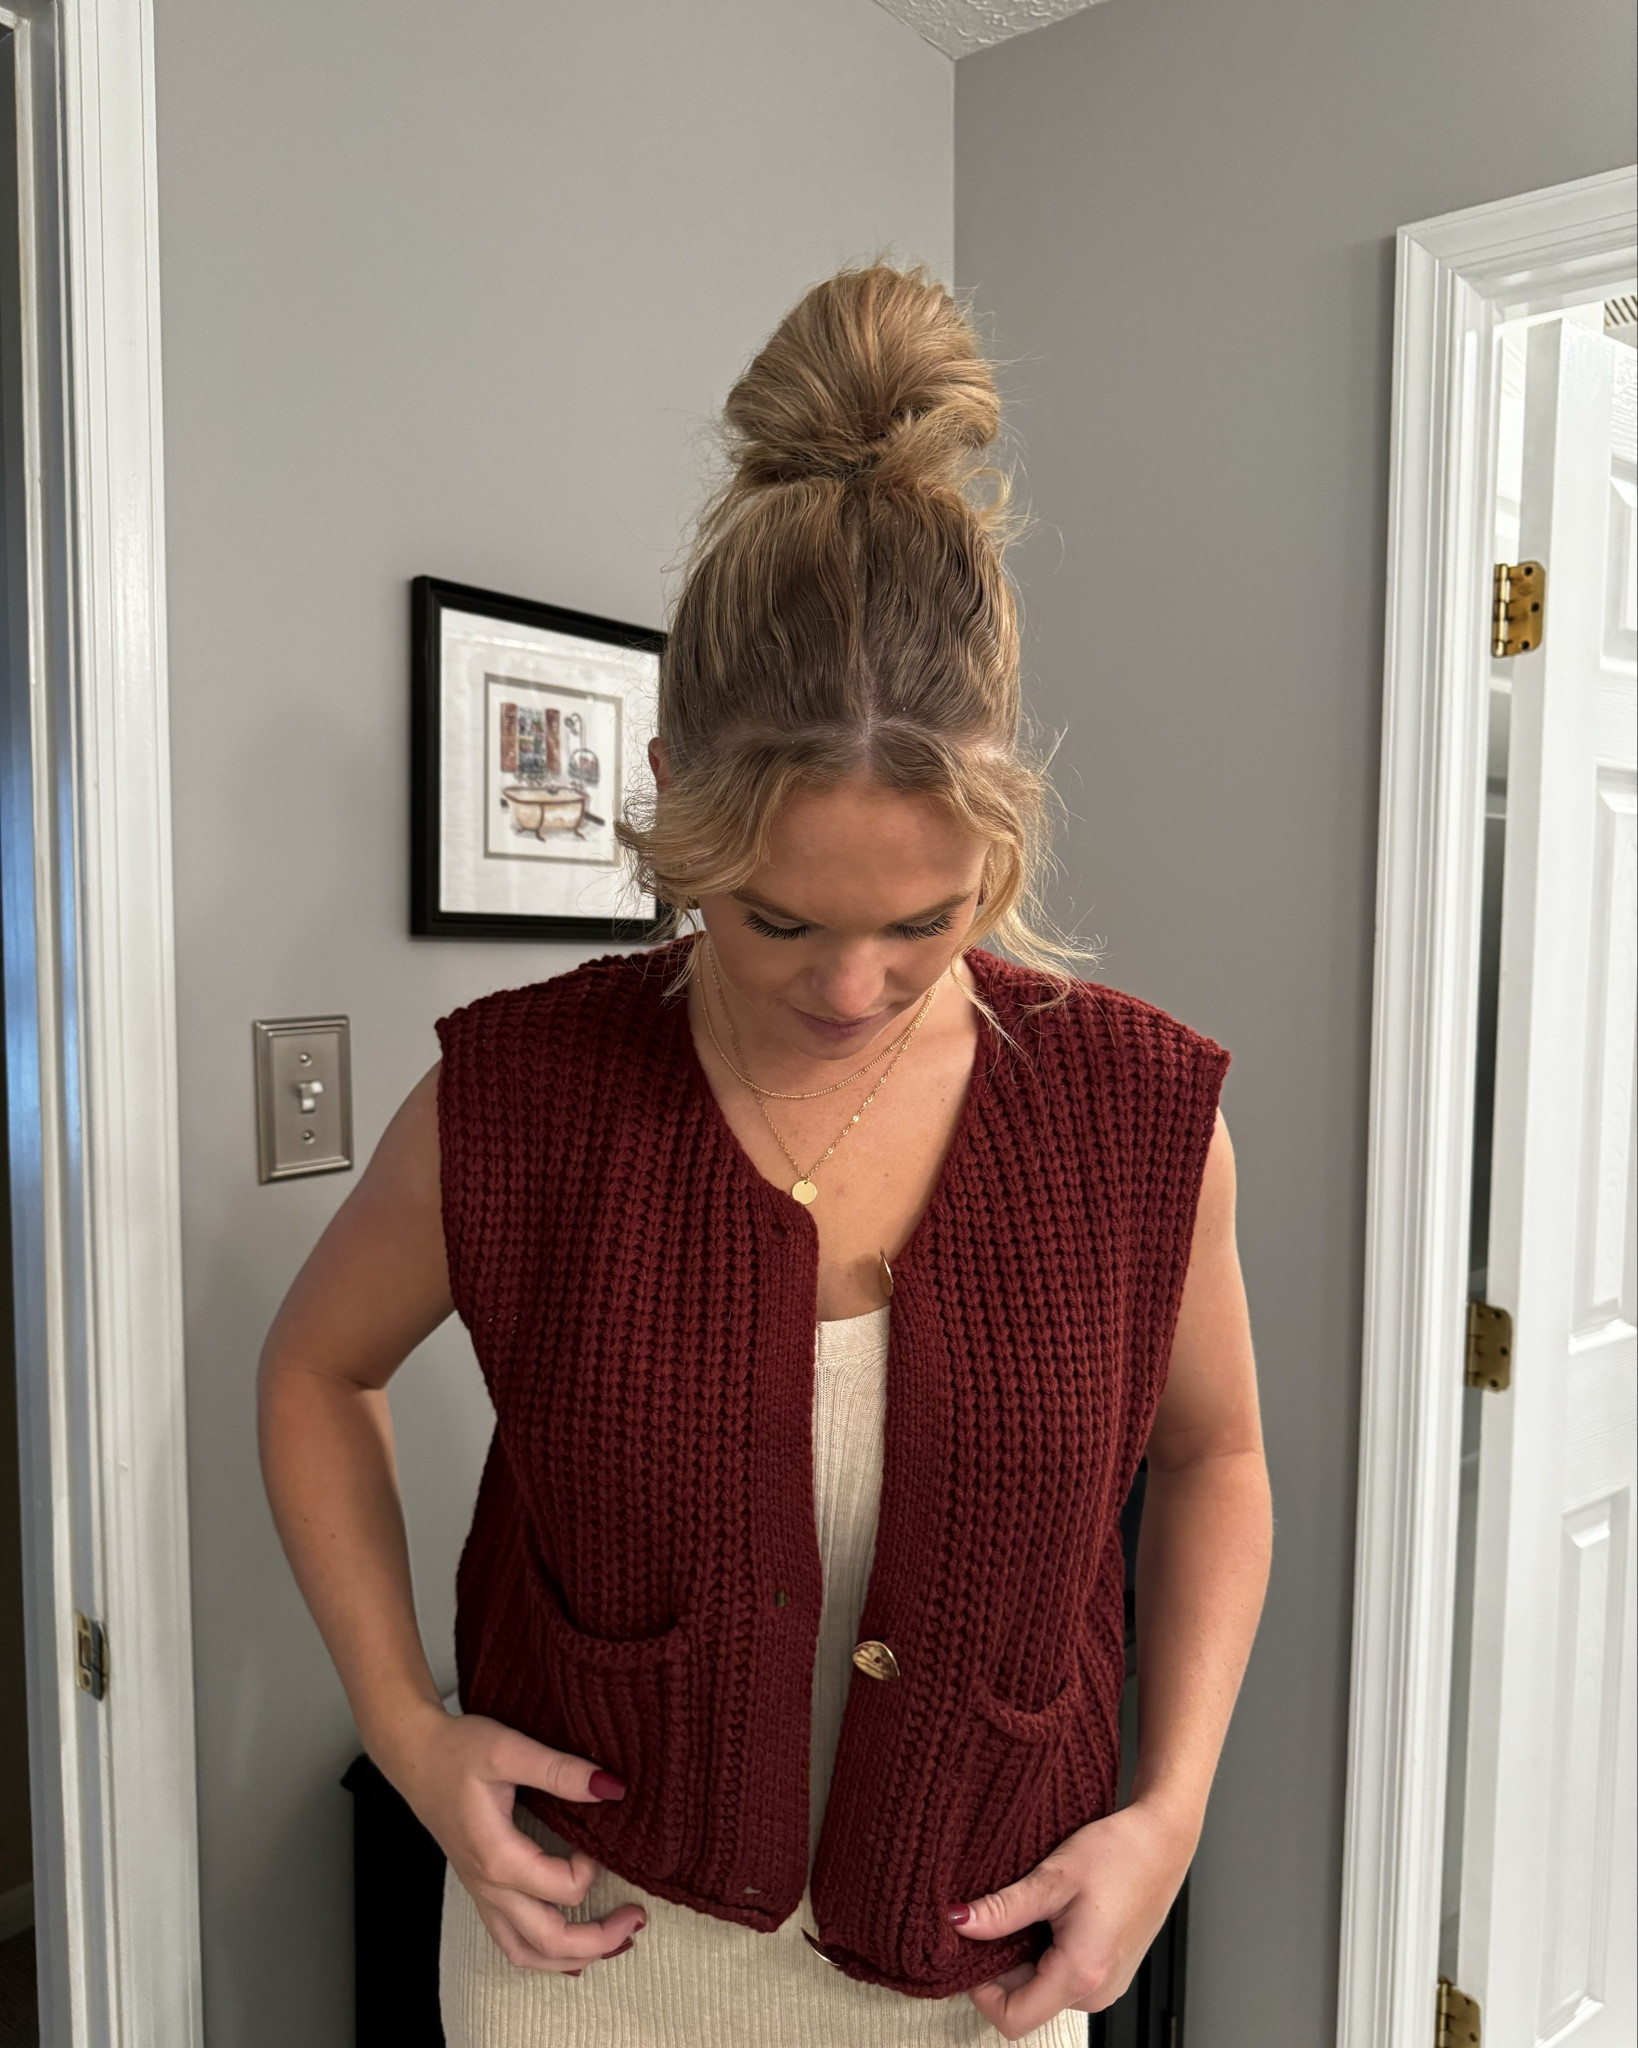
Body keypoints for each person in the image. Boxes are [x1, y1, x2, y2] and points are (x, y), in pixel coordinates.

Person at [258, 265, 1272, 2047]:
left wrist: (1169, 1810)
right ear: (673, 799)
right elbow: (312, 1371)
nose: (853, 988)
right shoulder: (526, 1096)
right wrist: (409, 1737)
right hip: (582, 1952)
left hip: (983, 1964)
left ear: (1003, 836)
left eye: (930, 921)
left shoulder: (1134, 1120)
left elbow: (1217, 1459)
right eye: (774, 917)